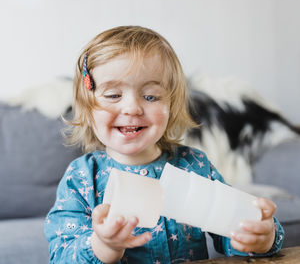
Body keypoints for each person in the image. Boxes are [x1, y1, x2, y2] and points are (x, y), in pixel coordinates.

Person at [44, 26, 284, 264]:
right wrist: (103, 245)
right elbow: (62, 256)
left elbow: (232, 231)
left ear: (171, 105)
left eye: (150, 97)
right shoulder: (82, 178)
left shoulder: (194, 165)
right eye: (114, 95)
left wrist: (260, 237)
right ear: (87, 107)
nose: (132, 108)